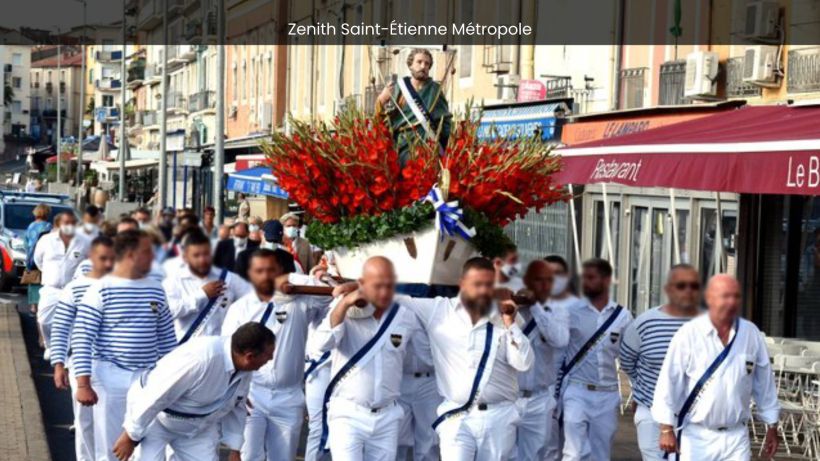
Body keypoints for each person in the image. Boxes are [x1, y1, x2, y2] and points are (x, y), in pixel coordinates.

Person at [390, 257, 534, 460]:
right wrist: (355, 287)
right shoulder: (438, 310)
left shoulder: (505, 315)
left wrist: (511, 324)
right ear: (462, 284)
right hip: (456, 416)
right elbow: (391, 297)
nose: (483, 291)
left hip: (499, 417)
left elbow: (524, 363)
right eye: (477, 284)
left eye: (488, 285)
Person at [71, 229, 177, 461]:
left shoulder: (156, 288)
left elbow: (168, 339)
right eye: (147, 252)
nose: (152, 257)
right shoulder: (100, 289)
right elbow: (82, 337)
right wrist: (83, 383)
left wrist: (175, 380)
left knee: (147, 446)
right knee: (110, 449)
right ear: (130, 254)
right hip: (110, 377)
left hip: (147, 379)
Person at [652, 274, 780, 461]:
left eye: (736, 296)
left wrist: (772, 425)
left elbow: (764, 383)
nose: (732, 302)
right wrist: (666, 428)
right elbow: (668, 382)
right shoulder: (689, 334)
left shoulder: (750, 333)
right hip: (695, 436)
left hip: (737, 437)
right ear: (709, 298)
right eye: (725, 296)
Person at [311, 256, 427, 461]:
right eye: (377, 286)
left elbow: (418, 355)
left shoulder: (405, 315)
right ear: (362, 284)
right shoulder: (344, 309)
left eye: (389, 285)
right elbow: (321, 345)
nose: (383, 292)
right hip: (348, 414)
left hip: (387, 417)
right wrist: (345, 303)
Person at [221, 248, 331, 461]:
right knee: (249, 455)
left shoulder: (301, 300)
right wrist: (235, 393)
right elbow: (229, 352)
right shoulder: (241, 307)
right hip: (253, 393)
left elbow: (328, 297)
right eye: (260, 271)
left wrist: (296, 281)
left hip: (288, 396)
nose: (266, 276)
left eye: (273, 271)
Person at [112, 323, 276, 461]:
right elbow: (156, 395)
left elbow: (236, 405)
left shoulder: (245, 368)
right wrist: (131, 435)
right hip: (155, 419)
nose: (270, 359)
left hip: (197, 426)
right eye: (268, 355)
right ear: (250, 356)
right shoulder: (201, 359)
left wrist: (235, 448)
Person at [619, 264, 701, 461]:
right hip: (651, 412)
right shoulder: (645, 323)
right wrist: (645, 389)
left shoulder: (707, 324)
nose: (688, 291)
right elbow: (627, 361)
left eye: (693, 286)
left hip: (695, 417)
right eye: (681, 285)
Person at [559, 258, 632, 461]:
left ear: (607, 280)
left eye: (591, 278)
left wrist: (637, 394)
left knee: (601, 453)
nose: (585, 283)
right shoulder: (571, 311)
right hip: (576, 390)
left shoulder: (623, 316)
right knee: (573, 452)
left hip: (608, 394)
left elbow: (629, 357)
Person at [50, 236, 116, 461]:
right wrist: (59, 364)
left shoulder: (123, 286)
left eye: (112, 259)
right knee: (85, 424)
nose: (108, 264)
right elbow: (60, 328)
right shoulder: (75, 288)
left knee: (113, 427)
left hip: (114, 369)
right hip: (81, 365)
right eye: (103, 258)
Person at [513, 260, 569, 460]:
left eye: (548, 281)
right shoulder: (509, 306)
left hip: (539, 397)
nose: (543, 286)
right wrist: (515, 307)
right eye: (538, 280)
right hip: (507, 397)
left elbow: (560, 339)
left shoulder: (556, 310)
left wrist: (536, 307)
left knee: (535, 455)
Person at [164, 230, 251, 342]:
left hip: (219, 348)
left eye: (206, 254)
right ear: (185, 257)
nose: (202, 260)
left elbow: (253, 299)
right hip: (186, 348)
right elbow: (168, 313)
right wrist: (202, 295)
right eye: (196, 255)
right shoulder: (174, 281)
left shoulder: (228, 278)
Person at [376, 48, 451, 166]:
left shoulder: (435, 90)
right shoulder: (399, 88)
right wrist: (381, 100)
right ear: (410, 65)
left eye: (427, 63)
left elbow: (445, 122)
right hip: (404, 147)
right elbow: (385, 121)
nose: (423, 66)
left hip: (428, 147)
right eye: (419, 62)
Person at [542, 254, 584, 460]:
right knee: (545, 443)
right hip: (543, 382)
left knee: (571, 444)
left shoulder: (580, 306)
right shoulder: (530, 304)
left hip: (573, 381)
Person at [34, 211, 92, 359]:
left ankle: (63, 353)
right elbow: (38, 260)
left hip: (73, 290)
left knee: (71, 322)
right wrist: (52, 275)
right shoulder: (46, 240)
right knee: (44, 320)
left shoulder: (84, 242)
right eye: (66, 223)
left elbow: (89, 262)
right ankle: (50, 345)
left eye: (73, 223)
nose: (69, 226)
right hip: (51, 288)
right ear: (58, 224)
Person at [24, 203, 52, 313]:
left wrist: (29, 253)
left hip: (31, 256)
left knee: (32, 281)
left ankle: (33, 306)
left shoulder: (31, 226)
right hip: (43, 256)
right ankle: (41, 304)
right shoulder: (48, 226)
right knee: (42, 281)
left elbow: (25, 243)